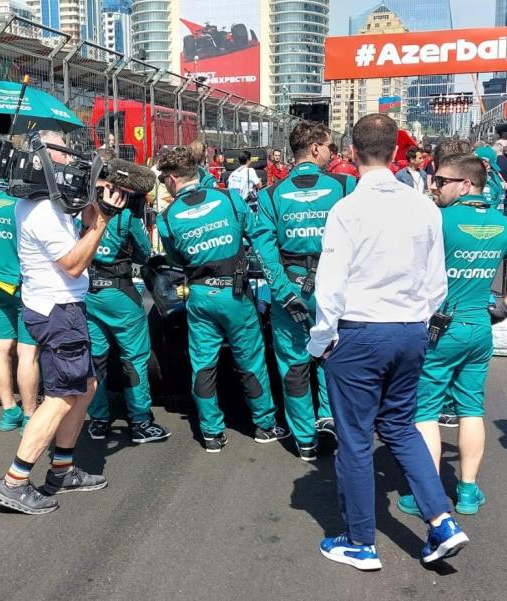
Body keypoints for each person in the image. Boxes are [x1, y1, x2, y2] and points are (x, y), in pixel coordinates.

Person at [308, 113, 468, 571]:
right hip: (410, 330)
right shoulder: (424, 207)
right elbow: (438, 280)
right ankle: (442, 521)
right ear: (396, 153)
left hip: (359, 332)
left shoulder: (347, 209)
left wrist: (322, 341)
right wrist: (416, 317)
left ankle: (361, 541)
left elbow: (330, 285)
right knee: (401, 426)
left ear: (352, 152)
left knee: (355, 440)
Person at [395, 153, 507, 519]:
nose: (433, 185)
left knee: (425, 412)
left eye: (441, 181)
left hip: (439, 329)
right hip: (479, 326)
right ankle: (467, 490)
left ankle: (426, 494)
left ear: (465, 184)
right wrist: (505, 308)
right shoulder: (500, 223)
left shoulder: (438, 221)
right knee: (471, 409)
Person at [0, 130, 126, 515]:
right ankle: (15, 481)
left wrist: (92, 205)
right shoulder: (43, 212)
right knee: (62, 396)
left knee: (84, 386)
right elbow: (74, 263)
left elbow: (74, 214)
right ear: (44, 160)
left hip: (54, 307)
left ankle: (62, 470)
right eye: (63, 154)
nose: (71, 160)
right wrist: (101, 223)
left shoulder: (42, 201)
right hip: (58, 310)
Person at [156, 146, 286, 453]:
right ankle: (265, 426)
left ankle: (211, 433)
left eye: (164, 180)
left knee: (203, 364)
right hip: (235, 292)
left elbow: (175, 258)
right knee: (250, 360)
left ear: (174, 178)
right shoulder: (229, 198)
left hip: (199, 296)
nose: (163, 184)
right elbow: (256, 235)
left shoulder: (166, 217)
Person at [258, 122, 356, 461]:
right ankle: (330, 419)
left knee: (294, 363)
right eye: (328, 147)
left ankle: (305, 440)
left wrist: (283, 293)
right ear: (314, 148)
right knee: (334, 354)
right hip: (337, 288)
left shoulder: (270, 195)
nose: (332, 154)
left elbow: (265, 249)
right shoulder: (345, 185)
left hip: (292, 287)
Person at [85, 189, 171, 444]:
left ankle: (98, 420)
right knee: (134, 357)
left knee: (96, 358)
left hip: (88, 292)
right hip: (120, 293)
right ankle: (141, 421)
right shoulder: (127, 216)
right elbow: (144, 254)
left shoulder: (82, 210)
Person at [0, 168, 40, 432]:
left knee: (1, 348)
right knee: (27, 353)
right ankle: (29, 414)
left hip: (0, 281)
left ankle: (8, 411)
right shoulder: (22, 205)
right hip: (25, 284)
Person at [474, 146, 506, 213]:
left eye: (474, 160)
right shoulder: (496, 175)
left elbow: (488, 205)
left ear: (485, 162)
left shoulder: (487, 180)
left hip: (489, 220)